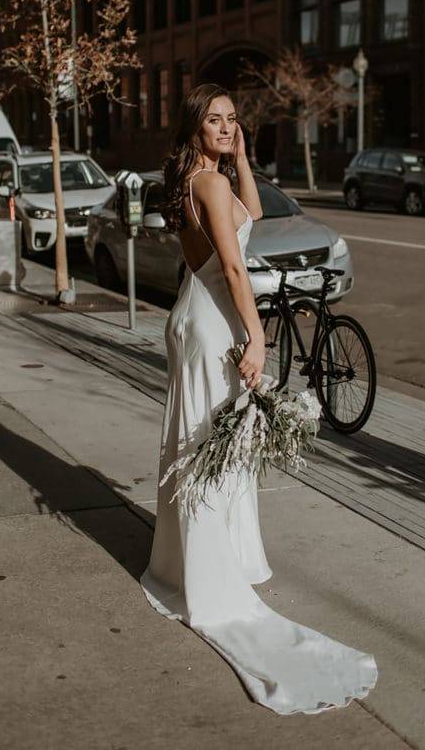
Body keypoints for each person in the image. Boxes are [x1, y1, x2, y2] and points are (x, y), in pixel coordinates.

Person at [140, 83, 378, 714]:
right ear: (195, 127)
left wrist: (242, 156)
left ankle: (184, 562)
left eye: (232, 120)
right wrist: (258, 338)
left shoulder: (202, 179)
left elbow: (254, 218)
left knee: (206, 443)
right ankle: (207, 576)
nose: (226, 127)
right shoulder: (207, 185)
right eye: (214, 121)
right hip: (215, 320)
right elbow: (238, 267)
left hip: (194, 315)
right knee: (210, 445)